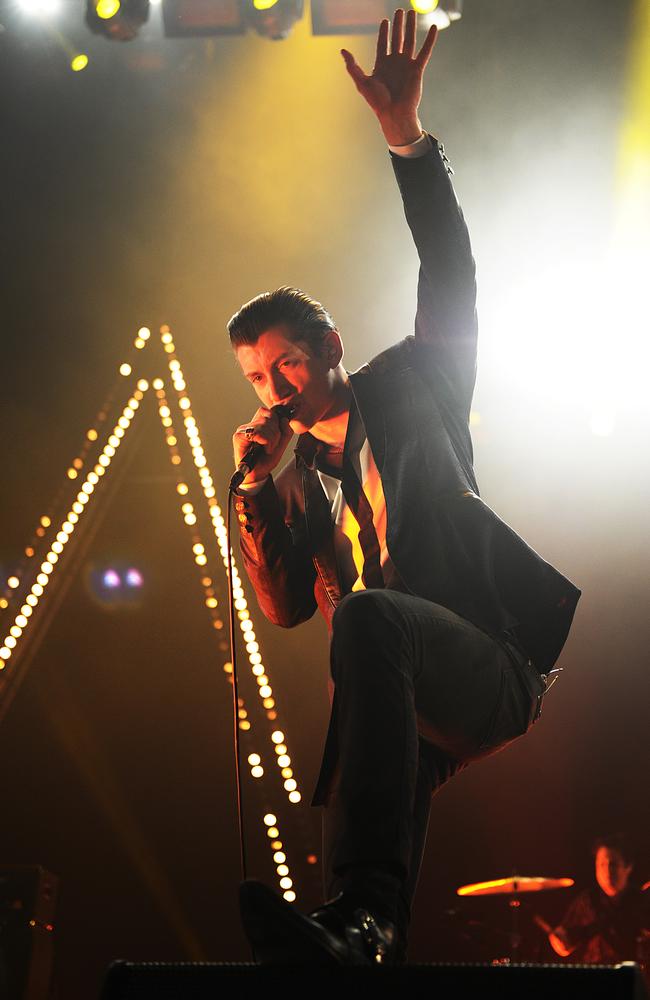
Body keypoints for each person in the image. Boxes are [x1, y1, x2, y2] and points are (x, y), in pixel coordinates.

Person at [229, 7, 580, 966]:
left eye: (288, 362)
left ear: (331, 349)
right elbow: (288, 609)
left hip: (491, 661)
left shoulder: (417, 383)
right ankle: (362, 929)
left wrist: (406, 142)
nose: (276, 387)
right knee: (363, 790)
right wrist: (259, 495)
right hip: (404, 678)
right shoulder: (295, 483)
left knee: (372, 619)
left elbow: (452, 271)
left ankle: (363, 916)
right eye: (258, 379)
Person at [544, 835, 649, 965]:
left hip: (632, 978)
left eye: (613, 865)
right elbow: (565, 938)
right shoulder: (586, 900)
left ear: (628, 867)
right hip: (593, 977)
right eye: (601, 864)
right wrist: (560, 941)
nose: (607, 871)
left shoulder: (642, 901)